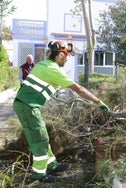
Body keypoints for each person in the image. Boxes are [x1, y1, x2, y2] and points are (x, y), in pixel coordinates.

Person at [13, 41, 113, 183]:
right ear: (60, 54)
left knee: (43, 137)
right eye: (66, 56)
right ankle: (39, 175)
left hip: (28, 105)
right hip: (27, 106)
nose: (67, 59)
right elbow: (78, 89)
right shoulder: (53, 69)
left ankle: (52, 165)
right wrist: (99, 102)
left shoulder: (44, 64)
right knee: (39, 141)